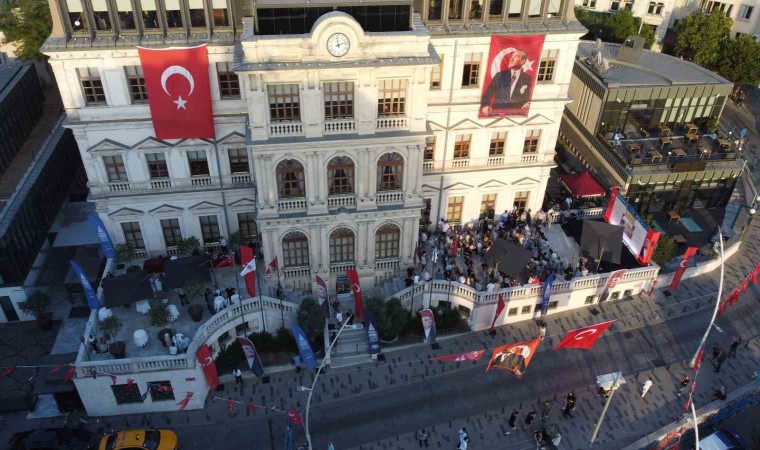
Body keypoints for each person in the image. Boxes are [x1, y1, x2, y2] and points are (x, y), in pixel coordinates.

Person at [480, 49, 533, 116]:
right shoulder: (499, 76)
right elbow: (487, 95)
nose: (511, 59)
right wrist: (485, 106)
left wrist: (528, 103)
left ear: (523, 61)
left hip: (516, 116)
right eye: (512, 56)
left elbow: (526, 97)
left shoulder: (527, 78)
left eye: (516, 56)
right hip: (498, 114)